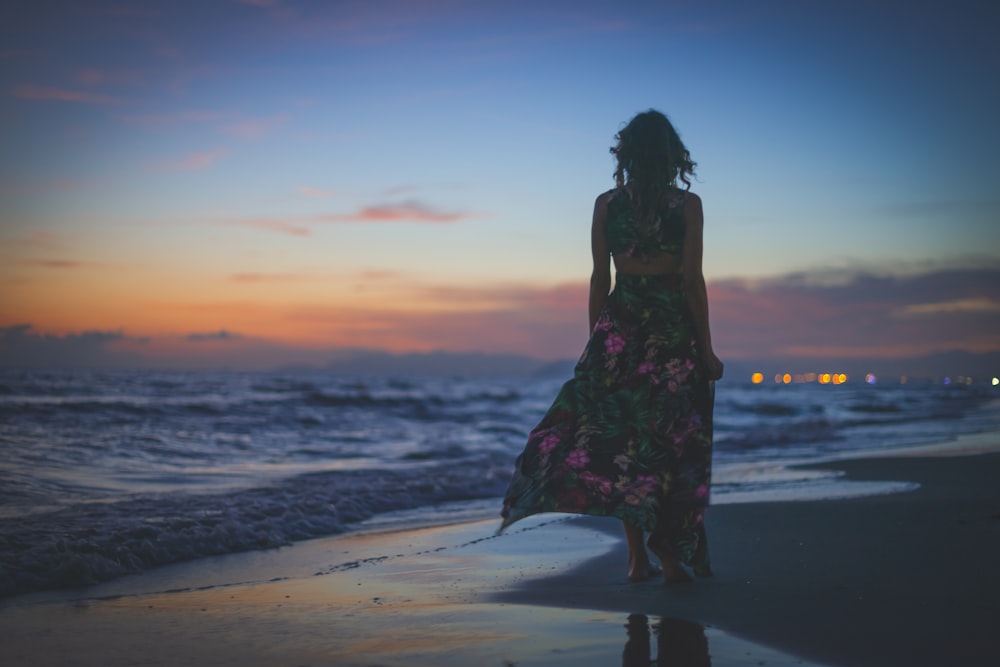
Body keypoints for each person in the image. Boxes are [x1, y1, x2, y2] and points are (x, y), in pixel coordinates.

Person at [499, 109, 723, 584]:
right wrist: (706, 349)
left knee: (625, 445)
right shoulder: (687, 206)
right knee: (669, 442)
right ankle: (668, 557)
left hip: (619, 329)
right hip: (670, 331)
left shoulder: (606, 204)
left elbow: (600, 279)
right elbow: (691, 282)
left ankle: (638, 559)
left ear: (626, 154)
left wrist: (595, 342)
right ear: (671, 156)